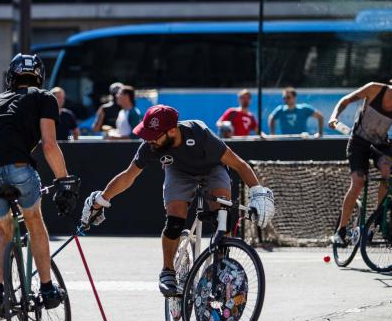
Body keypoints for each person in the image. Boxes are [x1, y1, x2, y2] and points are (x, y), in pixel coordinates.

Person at [80, 105, 275, 296]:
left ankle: (220, 263)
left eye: (153, 136)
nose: (148, 141)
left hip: (212, 168)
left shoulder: (201, 135)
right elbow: (128, 176)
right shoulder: (152, 145)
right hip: (178, 172)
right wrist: (99, 200)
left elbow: (239, 165)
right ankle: (167, 271)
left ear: (172, 131)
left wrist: (257, 191)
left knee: (223, 215)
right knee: (174, 221)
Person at [0, 53, 81, 318]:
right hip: (19, 167)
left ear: (11, 77)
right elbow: (49, 145)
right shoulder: (45, 98)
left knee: (2, 232)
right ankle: (47, 289)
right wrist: (63, 181)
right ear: (40, 77)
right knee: (35, 222)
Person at [328, 69, 392, 245]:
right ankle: (341, 230)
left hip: (380, 145)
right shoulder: (374, 89)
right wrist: (334, 117)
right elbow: (345, 100)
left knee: (387, 170)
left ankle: (378, 216)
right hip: (358, 142)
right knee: (358, 182)